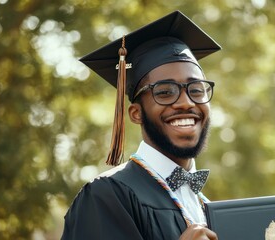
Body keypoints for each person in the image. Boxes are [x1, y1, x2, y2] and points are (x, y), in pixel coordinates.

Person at [61, 10, 221, 240]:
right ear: (136, 113)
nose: (186, 103)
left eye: (196, 90)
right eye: (165, 92)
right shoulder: (106, 195)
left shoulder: (207, 208)